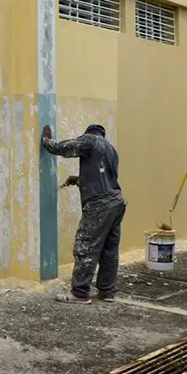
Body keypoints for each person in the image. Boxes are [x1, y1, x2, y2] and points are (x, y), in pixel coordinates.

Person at [41, 123, 127, 304]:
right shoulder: (111, 150)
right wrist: (80, 180)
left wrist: (47, 141)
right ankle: (107, 291)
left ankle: (80, 293)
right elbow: (105, 178)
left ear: (88, 133)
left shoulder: (90, 140)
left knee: (86, 246)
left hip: (99, 206)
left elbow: (65, 148)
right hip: (116, 203)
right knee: (109, 250)